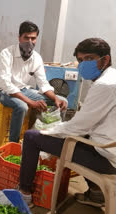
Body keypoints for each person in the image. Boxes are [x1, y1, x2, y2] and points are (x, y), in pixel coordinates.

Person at [19, 38, 116, 208]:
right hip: (108, 147)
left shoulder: (104, 85)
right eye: (80, 60)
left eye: (89, 59)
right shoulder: (112, 77)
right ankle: (96, 194)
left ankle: (24, 194)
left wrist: (48, 130)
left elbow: (78, 126)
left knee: (31, 137)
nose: (83, 64)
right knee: (76, 136)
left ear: (105, 59)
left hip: (107, 158)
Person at [0, 21, 67, 143]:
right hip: (2, 91)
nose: (30, 42)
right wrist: (31, 102)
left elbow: (43, 83)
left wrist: (55, 98)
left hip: (23, 90)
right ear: (19, 38)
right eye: (26, 37)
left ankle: (53, 138)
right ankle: (13, 143)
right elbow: (6, 84)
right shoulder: (6, 54)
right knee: (22, 107)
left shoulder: (36, 58)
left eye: (33, 38)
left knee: (63, 102)